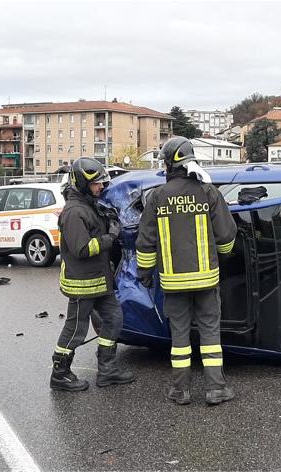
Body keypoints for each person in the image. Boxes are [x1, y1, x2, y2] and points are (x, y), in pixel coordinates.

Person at [135, 137, 237, 406]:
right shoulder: (208, 193)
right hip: (206, 280)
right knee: (210, 334)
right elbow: (227, 236)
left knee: (179, 337)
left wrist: (144, 273)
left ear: (168, 163)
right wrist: (221, 258)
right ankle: (216, 389)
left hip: (173, 282)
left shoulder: (157, 196)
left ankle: (180, 391)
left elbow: (145, 242)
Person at [51, 157, 135, 392]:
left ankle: (107, 370)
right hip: (82, 284)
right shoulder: (74, 212)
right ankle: (60, 374)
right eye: (96, 184)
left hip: (99, 281)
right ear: (82, 183)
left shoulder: (89, 206)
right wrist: (110, 238)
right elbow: (82, 248)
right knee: (75, 330)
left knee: (114, 319)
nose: (101, 188)